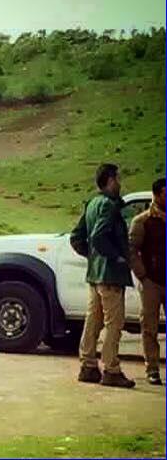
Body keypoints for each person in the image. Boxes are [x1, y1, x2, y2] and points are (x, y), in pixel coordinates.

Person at [70, 163, 135, 388]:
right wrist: (114, 256)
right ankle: (111, 369)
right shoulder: (108, 205)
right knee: (113, 324)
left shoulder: (92, 204)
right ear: (109, 180)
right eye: (117, 179)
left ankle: (88, 365)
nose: (120, 183)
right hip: (110, 276)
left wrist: (92, 257)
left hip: (95, 275)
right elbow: (98, 236)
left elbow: (77, 237)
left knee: (93, 321)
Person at [129, 178, 165, 385]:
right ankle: (152, 369)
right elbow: (132, 248)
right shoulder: (142, 221)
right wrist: (142, 274)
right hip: (151, 281)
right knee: (149, 328)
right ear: (157, 195)